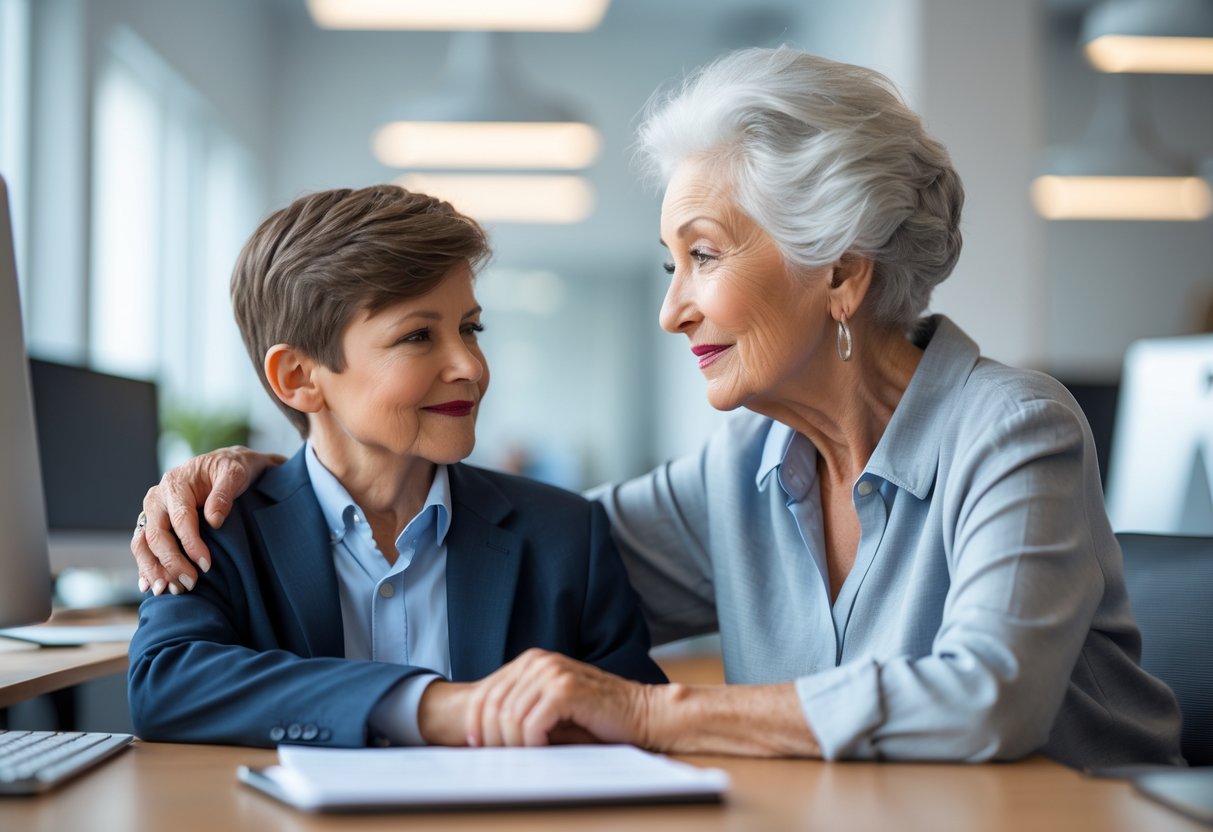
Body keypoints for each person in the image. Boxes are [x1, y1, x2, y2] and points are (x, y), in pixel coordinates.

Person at [130, 48, 1183, 768]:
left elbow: (989, 696)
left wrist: (649, 709)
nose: (673, 309)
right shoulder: (740, 470)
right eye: (668, 262)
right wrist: (272, 476)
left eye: (704, 256)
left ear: (841, 274)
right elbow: (496, 546)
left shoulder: (1012, 430)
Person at [126, 185, 664, 749]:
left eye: (470, 328)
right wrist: (431, 707)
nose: (469, 366)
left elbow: (636, 713)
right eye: (417, 336)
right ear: (299, 378)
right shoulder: (218, 530)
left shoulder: (564, 534)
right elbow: (164, 686)